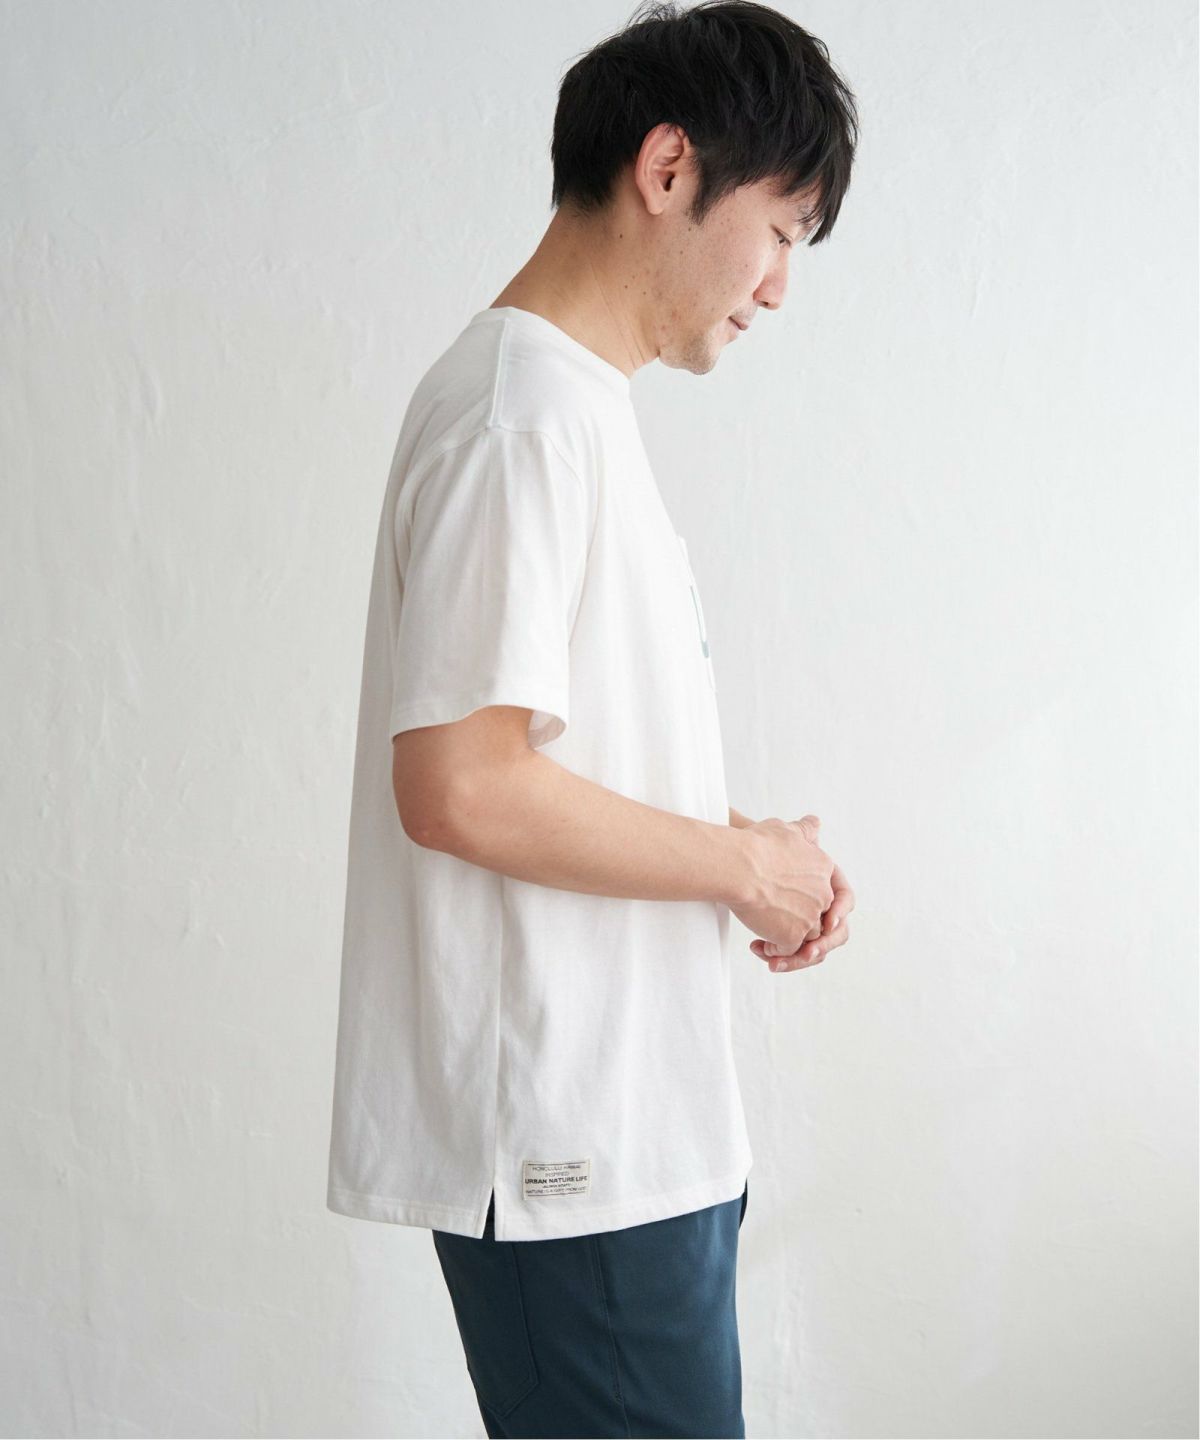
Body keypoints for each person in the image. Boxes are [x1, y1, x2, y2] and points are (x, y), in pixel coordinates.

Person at [326, 2, 859, 1434]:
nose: (777, 290)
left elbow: (549, 763)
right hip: (576, 1155)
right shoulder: (520, 417)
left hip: (624, 1146)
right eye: (782, 231)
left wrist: (750, 854)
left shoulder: (568, 409)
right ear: (669, 168)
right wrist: (739, 866)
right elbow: (462, 786)